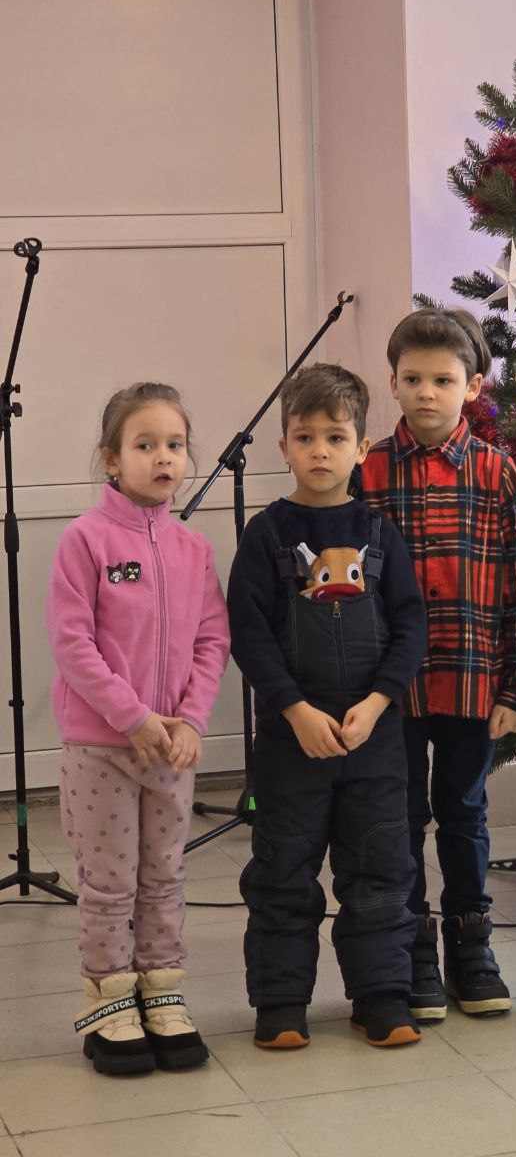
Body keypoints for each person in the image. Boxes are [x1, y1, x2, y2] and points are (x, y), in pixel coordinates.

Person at [228, 363, 428, 1051]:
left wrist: (376, 703)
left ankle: (381, 996)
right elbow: (249, 634)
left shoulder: (382, 533)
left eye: (335, 437)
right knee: (282, 873)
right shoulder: (265, 535)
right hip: (293, 743)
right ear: (284, 446)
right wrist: (293, 710)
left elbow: (410, 626)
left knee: (380, 870)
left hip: (373, 738)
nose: (320, 450)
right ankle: (281, 1003)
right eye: (305, 436)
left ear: (360, 448)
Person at [361, 308, 516, 1021]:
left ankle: (473, 944)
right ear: (393, 383)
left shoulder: (497, 472)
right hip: (393, 688)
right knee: (402, 815)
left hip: (474, 681)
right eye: (413, 379)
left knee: (463, 813)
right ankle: (412, 948)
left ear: (472, 386)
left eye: (443, 380)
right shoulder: (370, 470)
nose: (426, 393)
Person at [46, 382, 230, 1075]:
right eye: (145, 445)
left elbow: (212, 641)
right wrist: (134, 717)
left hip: (171, 750)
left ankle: (161, 993)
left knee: (164, 876)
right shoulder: (85, 540)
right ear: (111, 459)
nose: (163, 458)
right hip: (103, 747)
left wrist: (190, 721)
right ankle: (110, 1003)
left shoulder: (193, 549)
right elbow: (73, 643)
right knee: (109, 883)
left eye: (175, 445)